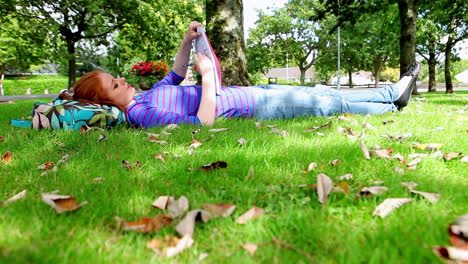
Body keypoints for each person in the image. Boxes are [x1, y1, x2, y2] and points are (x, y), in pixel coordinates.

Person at [67, 21, 421, 128]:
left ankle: (391, 95)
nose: (123, 81)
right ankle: (390, 100)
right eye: (115, 84)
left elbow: (175, 73)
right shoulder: (141, 113)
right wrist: (207, 78)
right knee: (327, 103)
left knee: (322, 92)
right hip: (258, 107)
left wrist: (188, 42)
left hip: (253, 91)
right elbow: (203, 122)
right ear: (107, 102)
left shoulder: (145, 95)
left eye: (118, 77)